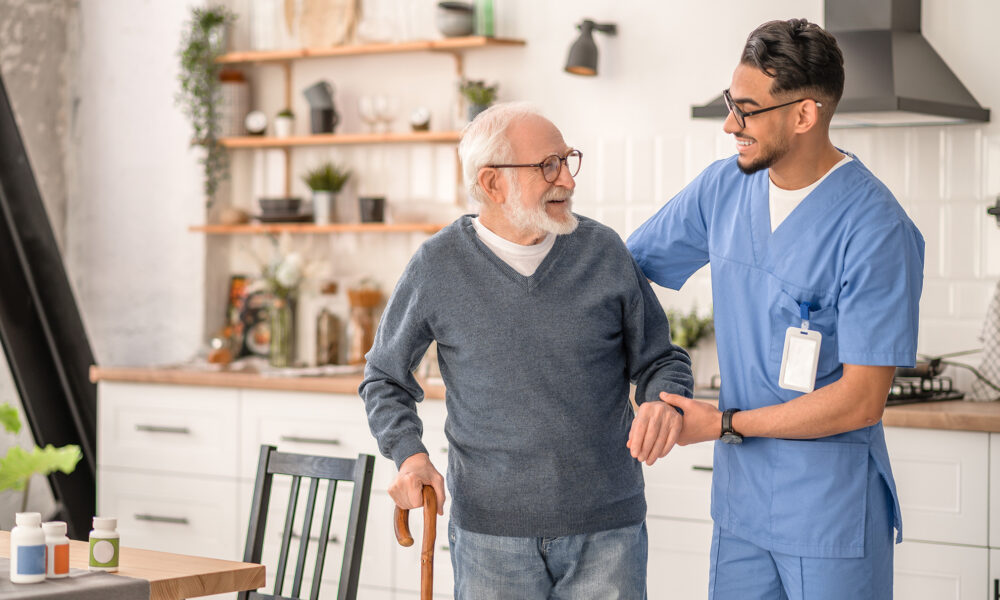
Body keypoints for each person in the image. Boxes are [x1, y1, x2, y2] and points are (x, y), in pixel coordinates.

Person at [627, 19, 924, 600]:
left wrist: (724, 423)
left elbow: (863, 399)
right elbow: (623, 271)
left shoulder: (875, 227)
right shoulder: (723, 190)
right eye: (729, 104)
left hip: (828, 513)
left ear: (804, 115)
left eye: (747, 110)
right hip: (741, 510)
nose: (730, 125)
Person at [360, 102, 693, 599]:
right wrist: (409, 457)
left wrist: (663, 400)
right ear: (492, 183)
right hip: (489, 537)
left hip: (608, 530)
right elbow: (384, 377)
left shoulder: (604, 252)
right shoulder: (437, 265)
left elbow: (661, 359)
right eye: (548, 166)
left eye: (567, 160)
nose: (568, 181)